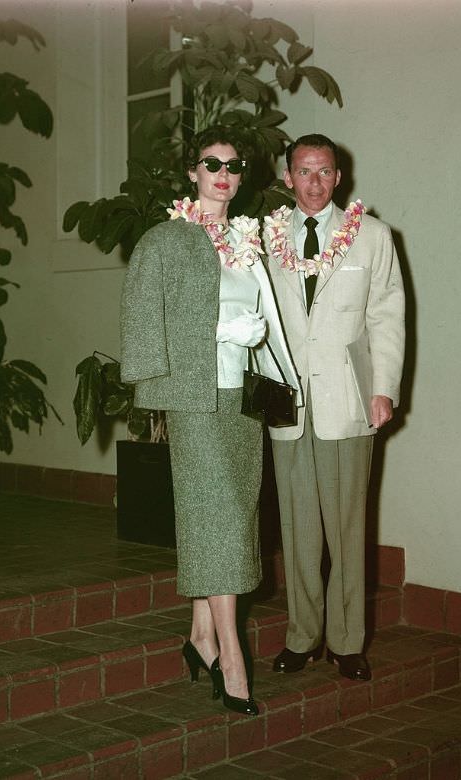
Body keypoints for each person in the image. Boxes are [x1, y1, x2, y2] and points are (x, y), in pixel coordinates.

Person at [120, 126, 301, 715]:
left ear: (242, 176)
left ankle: (199, 635)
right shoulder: (166, 240)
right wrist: (215, 332)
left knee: (229, 516)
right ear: (192, 174)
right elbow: (145, 322)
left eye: (233, 166)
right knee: (219, 520)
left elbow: (266, 316)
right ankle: (232, 658)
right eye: (210, 164)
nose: (223, 175)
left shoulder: (248, 240)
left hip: (241, 400)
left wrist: (258, 337)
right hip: (195, 398)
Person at [264, 133, 405, 681]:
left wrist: (383, 390)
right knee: (298, 529)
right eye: (303, 171)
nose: (314, 183)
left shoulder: (371, 236)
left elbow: (386, 317)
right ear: (287, 177)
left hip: (347, 401)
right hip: (288, 405)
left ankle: (347, 642)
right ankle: (302, 636)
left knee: (347, 529)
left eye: (324, 172)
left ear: (339, 177)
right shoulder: (266, 237)